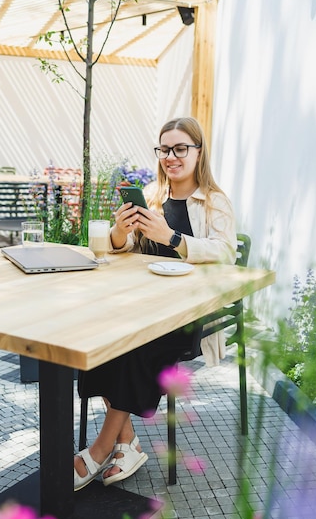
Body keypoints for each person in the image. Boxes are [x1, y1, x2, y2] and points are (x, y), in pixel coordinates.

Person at [74, 116, 237, 491]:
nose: (171, 157)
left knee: (136, 345)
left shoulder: (214, 202)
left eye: (181, 148)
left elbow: (226, 254)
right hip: (143, 302)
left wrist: (173, 237)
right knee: (98, 335)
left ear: (198, 153)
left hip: (187, 313)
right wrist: (119, 232)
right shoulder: (151, 195)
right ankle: (127, 442)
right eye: (165, 149)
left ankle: (101, 448)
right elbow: (126, 249)